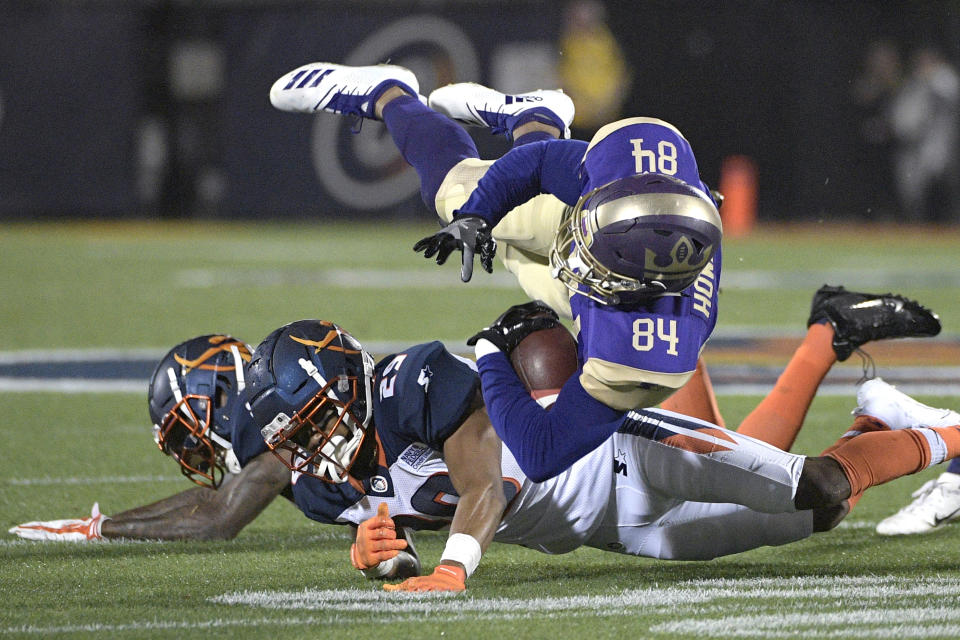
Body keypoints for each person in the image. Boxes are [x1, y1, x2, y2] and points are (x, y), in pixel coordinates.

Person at [268, 62, 942, 480]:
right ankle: (388, 93)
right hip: (617, 236)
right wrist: (475, 213)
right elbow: (538, 169)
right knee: (453, 194)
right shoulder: (630, 171)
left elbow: (541, 452)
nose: (577, 253)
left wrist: (492, 353)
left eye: (589, 259)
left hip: (630, 314)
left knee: (719, 461)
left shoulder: (644, 350)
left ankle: (525, 112)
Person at [241, 316, 960, 593]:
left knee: (818, 486)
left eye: (309, 423)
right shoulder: (330, 481)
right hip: (613, 531)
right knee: (824, 514)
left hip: (620, 453)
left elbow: (484, 486)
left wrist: (454, 570)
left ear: (342, 388)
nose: (308, 447)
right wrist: (383, 557)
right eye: (293, 437)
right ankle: (876, 420)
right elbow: (409, 528)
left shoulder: (411, 386)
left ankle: (953, 433)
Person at [8, 334, 296, 543]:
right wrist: (99, 525)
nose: (187, 446)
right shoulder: (266, 428)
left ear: (217, 394)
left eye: (185, 427)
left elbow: (216, 522)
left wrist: (102, 531)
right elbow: (210, 498)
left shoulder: (284, 432)